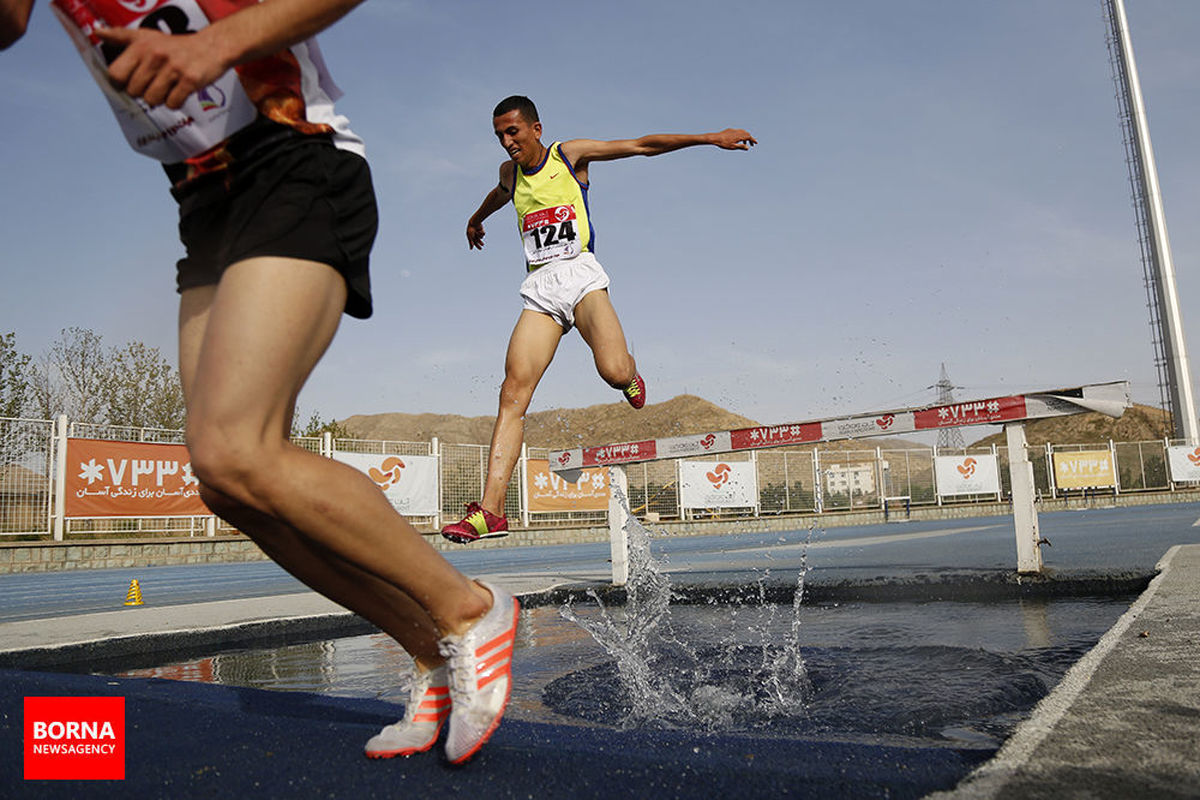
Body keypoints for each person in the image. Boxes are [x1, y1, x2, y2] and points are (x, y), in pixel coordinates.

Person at [2, 0, 516, 765]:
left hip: (294, 159)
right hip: (203, 200)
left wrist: (218, 43)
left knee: (240, 447)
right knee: (221, 476)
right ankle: (431, 651)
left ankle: (470, 608)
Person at [442, 95, 756, 543]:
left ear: (535, 128)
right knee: (512, 393)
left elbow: (643, 146)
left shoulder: (570, 155)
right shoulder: (509, 174)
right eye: (499, 135)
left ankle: (630, 371)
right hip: (541, 290)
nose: (506, 142)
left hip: (582, 278)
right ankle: (490, 511)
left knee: (612, 371)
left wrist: (710, 138)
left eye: (513, 132)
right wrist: (476, 218)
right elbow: (500, 194)